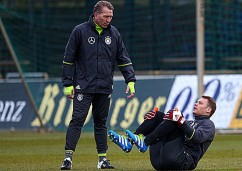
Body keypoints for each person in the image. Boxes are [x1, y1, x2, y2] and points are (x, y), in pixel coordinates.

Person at [60, 1, 136, 170]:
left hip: (104, 87)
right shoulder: (80, 31)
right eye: (106, 16)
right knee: (77, 120)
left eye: (111, 17)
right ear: (96, 15)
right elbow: (68, 59)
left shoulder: (114, 34)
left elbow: (123, 59)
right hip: (83, 86)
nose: (109, 20)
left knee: (101, 122)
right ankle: (68, 159)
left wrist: (130, 80)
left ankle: (102, 160)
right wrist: (67, 83)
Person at [108, 95, 216, 170]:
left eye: (200, 103)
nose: (196, 104)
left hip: (182, 161)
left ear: (208, 110)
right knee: (158, 115)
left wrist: (179, 119)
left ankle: (144, 142)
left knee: (175, 117)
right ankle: (129, 142)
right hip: (159, 161)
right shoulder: (190, 121)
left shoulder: (208, 125)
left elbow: (196, 138)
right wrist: (151, 121)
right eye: (197, 102)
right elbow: (171, 126)